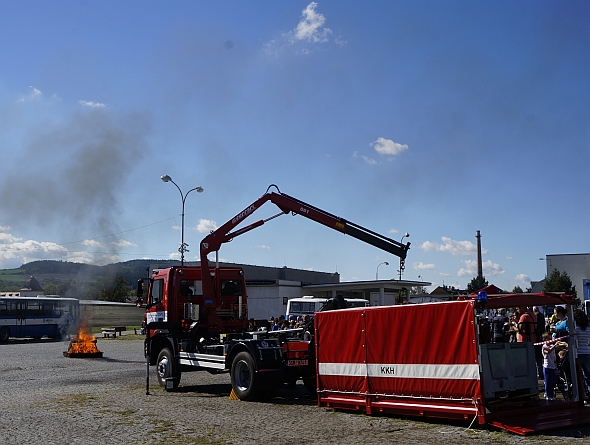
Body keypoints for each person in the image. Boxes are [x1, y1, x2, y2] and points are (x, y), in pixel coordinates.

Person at [574, 309, 590, 389]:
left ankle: (583, 394)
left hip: (578, 353)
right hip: (587, 352)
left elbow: (574, 341)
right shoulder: (588, 329)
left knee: (579, 377)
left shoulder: (575, 329)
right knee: (588, 376)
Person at [541, 331, 558, 400]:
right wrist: (554, 345)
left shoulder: (551, 346)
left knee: (553, 382)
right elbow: (548, 351)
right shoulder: (544, 346)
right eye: (548, 339)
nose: (550, 340)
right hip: (547, 366)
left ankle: (551, 394)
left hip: (553, 366)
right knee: (548, 382)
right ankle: (548, 395)